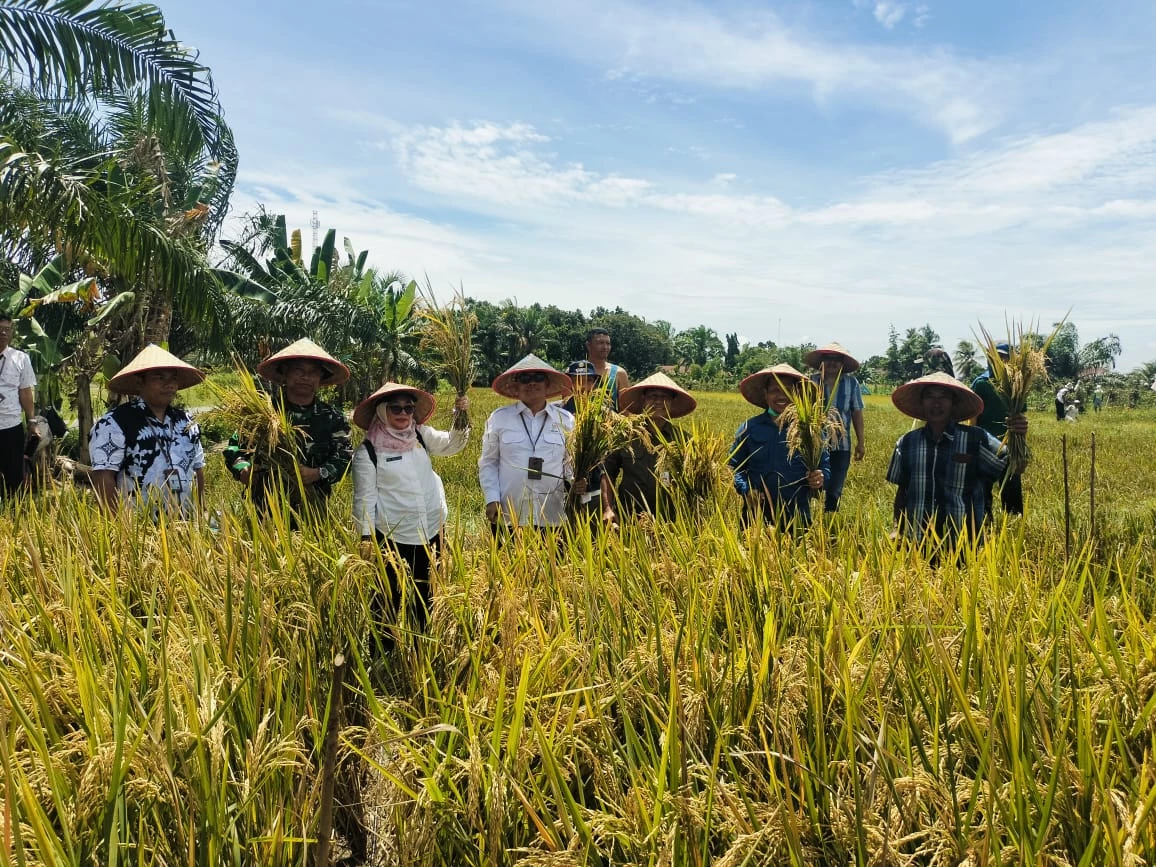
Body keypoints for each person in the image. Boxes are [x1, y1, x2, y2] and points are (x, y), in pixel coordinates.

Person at [352, 383, 470, 652]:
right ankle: (383, 656)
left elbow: (452, 445)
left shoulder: (420, 435)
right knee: (386, 598)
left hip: (430, 531)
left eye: (408, 407)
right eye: (396, 408)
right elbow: (364, 499)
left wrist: (461, 417)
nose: (403, 412)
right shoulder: (369, 452)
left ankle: (422, 651)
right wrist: (366, 536)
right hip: (392, 536)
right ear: (382, 411)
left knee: (425, 595)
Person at [887, 372, 1028, 554]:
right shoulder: (906, 443)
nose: (936, 403)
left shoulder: (977, 440)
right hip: (918, 545)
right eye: (930, 396)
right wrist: (898, 528)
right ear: (921, 402)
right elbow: (902, 493)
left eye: (943, 397)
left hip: (965, 545)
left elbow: (1016, 467)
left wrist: (1019, 437)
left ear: (954, 403)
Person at [224, 338, 352, 516]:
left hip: (314, 511)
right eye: (298, 370)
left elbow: (345, 456)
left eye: (313, 372)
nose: (305, 377)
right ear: (284, 373)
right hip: (265, 511)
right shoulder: (262, 414)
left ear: (321, 378)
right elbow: (235, 448)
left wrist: (317, 473)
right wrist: (243, 469)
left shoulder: (333, 418)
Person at [89, 345, 206, 516]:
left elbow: (198, 469)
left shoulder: (187, 422)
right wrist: (116, 529)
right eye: (159, 377)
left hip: (186, 524)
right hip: (139, 530)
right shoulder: (114, 423)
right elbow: (104, 477)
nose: (169, 384)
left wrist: (202, 513)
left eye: (173, 378)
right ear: (139, 382)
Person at [479, 354, 574, 532]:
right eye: (525, 378)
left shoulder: (566, 420)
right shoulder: (499, 418)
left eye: (538, 377)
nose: (532, 383)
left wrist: (577, 483)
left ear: (547, 384)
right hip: (509, 513)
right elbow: (488, 462)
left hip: (552, 514)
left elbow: (569, 463)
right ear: (516, 386)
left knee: (553, 560)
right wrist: (492, 498)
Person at [730, 363, 827, 529]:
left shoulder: (810, 431)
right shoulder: (749, 428)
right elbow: (733, 466)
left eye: (788, 390)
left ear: (798, 395)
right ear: (765, 394)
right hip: (756, 517)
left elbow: (824, 466)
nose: (782, 395)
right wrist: (746, 489)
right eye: (775, 390)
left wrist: (820, 477)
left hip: (797, 515)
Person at [604, 372, 697, 521]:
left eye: (664, 397)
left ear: (672, 402)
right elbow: (607, 473)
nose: (658, 402)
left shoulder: (684, 440)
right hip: (629, 519)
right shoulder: (625, 435)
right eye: (653, 396)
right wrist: (608, 508)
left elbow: (695, 484)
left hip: (669, 523)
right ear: (644, 400)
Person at [803, 342, 865, 512]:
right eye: (828, 358)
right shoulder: (810, 382)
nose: (832, 363)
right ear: (821, 361)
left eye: (836, 359)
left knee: (835, 488)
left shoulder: (851, 383)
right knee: (808, 485)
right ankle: (804, 521)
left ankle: (830, 526)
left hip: (841, 445)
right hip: (813, 444)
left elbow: (856, 413)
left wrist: (861, 442)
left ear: (842, 363)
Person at [969, 341, 1023, 516]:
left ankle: (1014, 521)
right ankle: (984, 522)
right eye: (995, 357)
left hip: (1010, 445)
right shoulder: (982, 383)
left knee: (1011, 485)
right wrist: (972, 445)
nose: (1000, 361)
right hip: (985, 444)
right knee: (982, 487)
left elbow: (1020, 417)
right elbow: (973, 417)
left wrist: (1021, 444)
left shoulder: (1018, 384)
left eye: (1004, 357)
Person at [560, 359, 614, 525]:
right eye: (577, 380)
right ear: (569, 383)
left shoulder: (605, 414)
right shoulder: (558, 413)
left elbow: (607, 457)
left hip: (595, 486)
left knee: (593, 539)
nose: (583, 386)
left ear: (595, 384)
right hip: (563, 489)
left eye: (588, 380)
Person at [0, 314, 37, 502]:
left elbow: (25, 392)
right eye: (0, 329)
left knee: (14, 473)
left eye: (7, 329)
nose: (3, 333)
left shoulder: (20, 358)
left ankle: (14, 515)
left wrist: (31, 421)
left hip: (10, 426)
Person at [584, 327, 630, 410]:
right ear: (588, 345)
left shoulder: (619, 373)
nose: (605, 347)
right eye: (600, 343)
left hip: (611, 421)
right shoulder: (575, 371)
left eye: (608, 344)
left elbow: (625, 408)